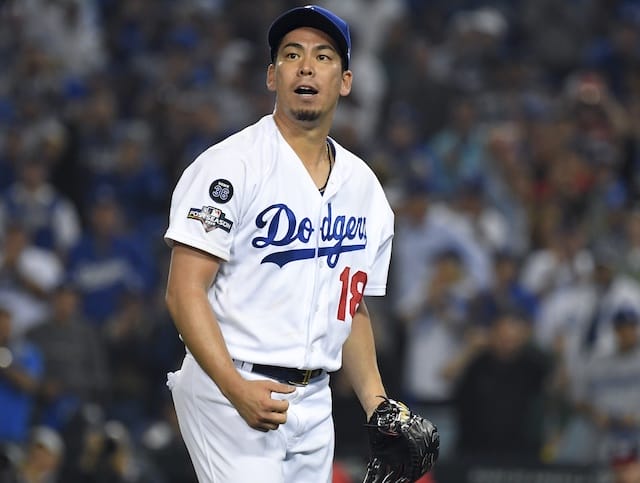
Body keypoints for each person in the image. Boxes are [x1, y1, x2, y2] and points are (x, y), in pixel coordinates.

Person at [163, 5, 395, 482]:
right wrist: (233, 386)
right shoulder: (230, 166)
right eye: (292, 54)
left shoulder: (364, 188)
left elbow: (348, 308)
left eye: (323, 56)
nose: (307, 66)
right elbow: (184, 290)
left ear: (345, 81)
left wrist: (378, 407)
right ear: (273, 76)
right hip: (229, 384)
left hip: (316, 399)